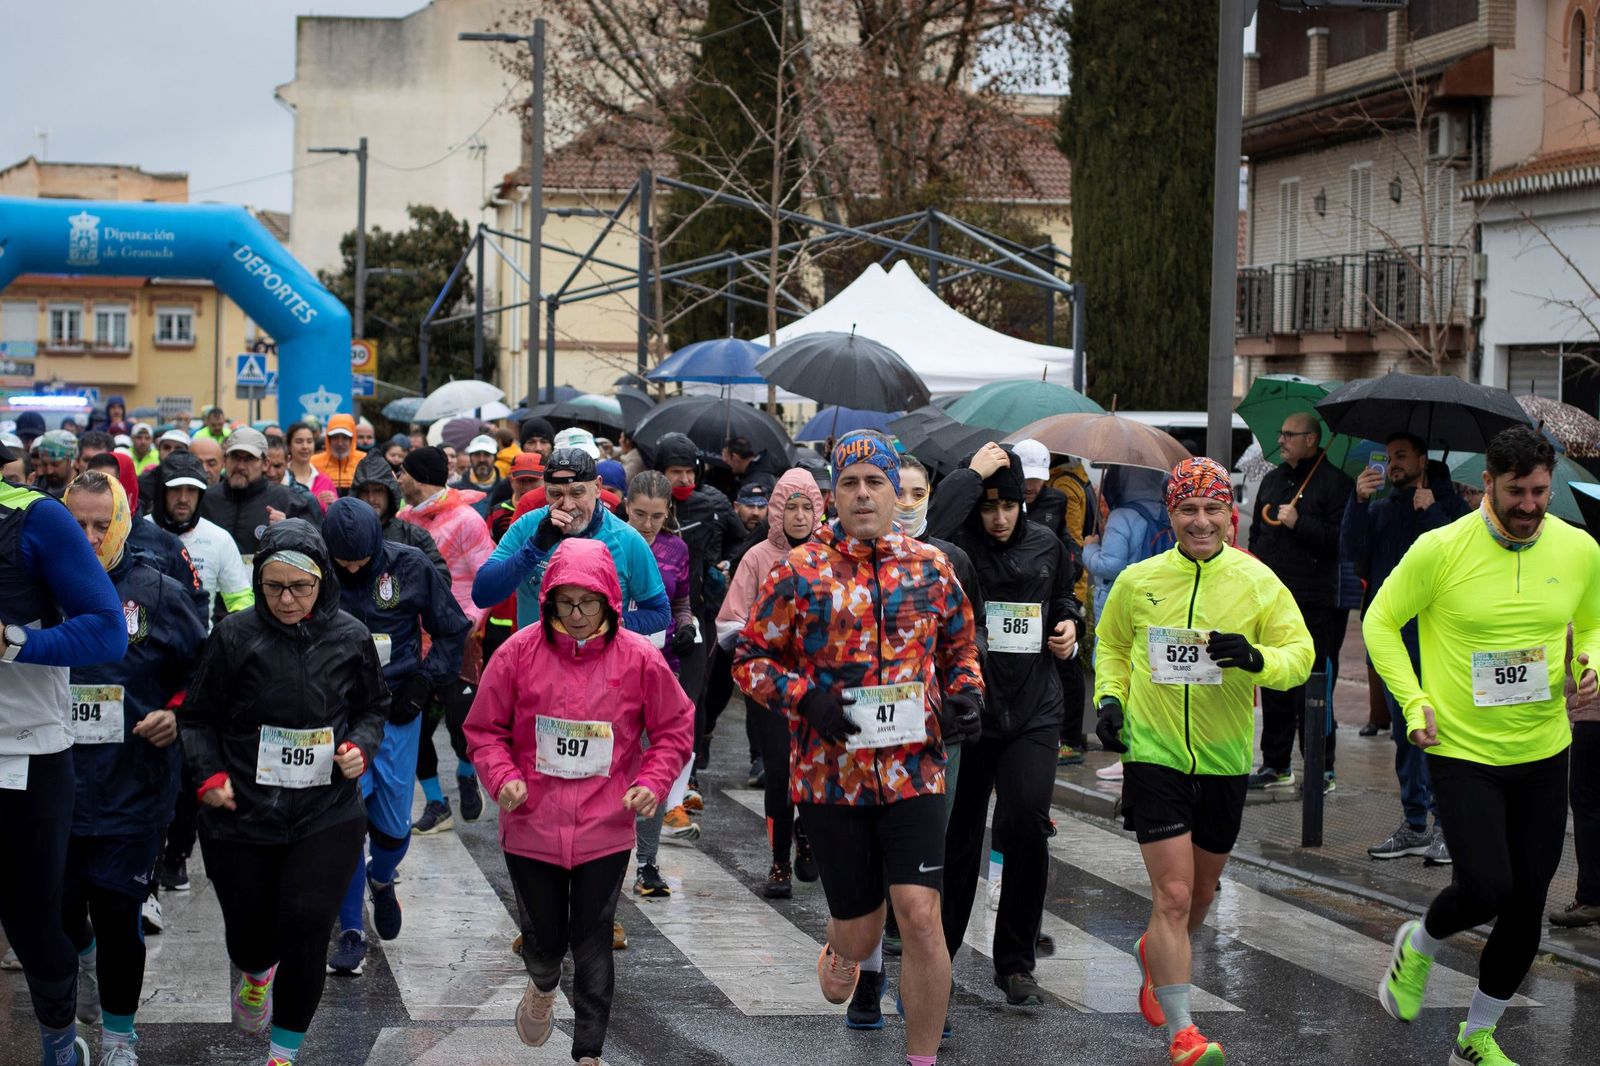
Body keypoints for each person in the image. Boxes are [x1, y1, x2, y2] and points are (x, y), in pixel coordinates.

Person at [732, 430, 983, 1066]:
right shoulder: (798, 573)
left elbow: (961, 650)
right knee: (863, 925)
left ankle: (921, 1058)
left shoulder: (932, 567)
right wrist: (805, 698)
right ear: (832, 496)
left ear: (896, 491)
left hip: (914, 770)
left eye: (876, 481)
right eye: (850, 483)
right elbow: (749, 659)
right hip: (828, 777)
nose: (864, 493)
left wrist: (965, 697)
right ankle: (842, 944)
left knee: (921, 914)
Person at [1368, 426, 1600, 1066]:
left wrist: (1591, 664)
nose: (1529, 505)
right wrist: (1413, 701)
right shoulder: (1440, 549)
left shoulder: (1579, 549)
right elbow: (1382, 622)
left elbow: (1596, 624)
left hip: (1545, 749)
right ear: (1487, 485)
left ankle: (1475, 1038)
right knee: (1488, 887)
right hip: (1463, 750)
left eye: (1540, 492)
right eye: (1516, 491)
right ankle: (1420, 941)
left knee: (1529, 904)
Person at [1094, 457, 1313, 1066]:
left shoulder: (1257, 581)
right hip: (1154, 754)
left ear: (1228, 515)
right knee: (1172, 892)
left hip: (1222, 759)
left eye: (1211, 508)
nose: (1200, 520)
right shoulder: (1141, 581)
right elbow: (1110, 645)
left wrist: (1256, 658)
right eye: (1188, 509)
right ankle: (1185, 1034)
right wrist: (1109, 700)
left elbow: (1300, 652)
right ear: (1171, 514)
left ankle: (1157, 957)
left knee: (1201, 893)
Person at [466, 538, 693, 1066]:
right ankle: (543, 987)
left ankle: (588, 1054)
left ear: (610, 601)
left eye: (587, 603)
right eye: (564, 603)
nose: (576, 615)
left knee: (593, 937)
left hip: (605, 825)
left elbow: (675, 726)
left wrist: (653, 782)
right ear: (547, 601)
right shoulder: (518, 652)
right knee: (544, 943)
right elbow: (483, 729)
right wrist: (502, 779)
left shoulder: (639, 657)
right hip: (531, 826)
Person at [178, 519, 388, 1066]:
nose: (288, 598)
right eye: (274, 587)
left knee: (306, 928)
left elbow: (372, 707)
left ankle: (282, 1055)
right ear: (258, 580)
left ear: (323, 584)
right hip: (242, 813)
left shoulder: (349, 635)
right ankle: (254, 972)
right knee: (250, 937)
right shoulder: (234, 636)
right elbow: (197, 718)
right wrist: (209, 778)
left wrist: (359, 747)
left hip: (327, 812)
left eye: (301, 587)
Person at [925, 444, 1081, 1007]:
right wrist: (969, 473)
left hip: (1035, 708)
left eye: (1008, 506)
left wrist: (1067, 624)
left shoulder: (1047, 543)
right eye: (988, 505)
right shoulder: (958, 545)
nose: (998, 517)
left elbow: (1063, 598)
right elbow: (931, 528)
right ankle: (937, 953)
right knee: (960, 834)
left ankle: (1015, 963)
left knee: (1024, 824)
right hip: (973, 713)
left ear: (1023, 503)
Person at [61, 471, 206, 1066]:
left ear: (122, 521)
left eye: (102, 524)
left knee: (120, 914)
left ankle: (120, 1040)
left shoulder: (157, 591)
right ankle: (85, 956)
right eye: (77, 526)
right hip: (53, 784)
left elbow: (204, 674)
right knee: (62, 912)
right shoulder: (37, 590)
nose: (90, 538)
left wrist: (176, 715)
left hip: (134, 785)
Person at [0, 437, 128, 1066]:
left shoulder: (34, 517)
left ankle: (58, 1042)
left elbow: (108, 627)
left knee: (29, 920)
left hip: (21, 752)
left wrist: (9, 640)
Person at [321, 498, 471, 976]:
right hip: (338, 714)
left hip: (397, 710)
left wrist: (426, 682)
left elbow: (452, 630)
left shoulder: (411, 566)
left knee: (392, 828)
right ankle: (349, 928)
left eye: (360, 560)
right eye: (342, 561)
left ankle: (382, 878)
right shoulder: (317, 573)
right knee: (346, 820)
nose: (352, 568)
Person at [1341, 432, 1469, 866]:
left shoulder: (1451, 507)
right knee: (1403, 733)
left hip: (1436, 637)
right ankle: (1415, 823)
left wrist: (1432, 512)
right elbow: (1353, 552)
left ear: (1422, 459)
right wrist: (1356, 504)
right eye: (1389, 457)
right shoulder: (1382, 507)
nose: (1392, 464)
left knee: (1437, 733)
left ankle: (1445, 827)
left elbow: (1458, 563)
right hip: (1393, 636)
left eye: (1401, 457)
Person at [716, 469, 826, 899]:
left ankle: (809, 834)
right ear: (776, 512)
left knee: (815, 773)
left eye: (807, 507)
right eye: (790, 507)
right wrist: (767, 644)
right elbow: (729, 622)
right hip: (772, 689)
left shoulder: (831, 555)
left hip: (820, 687)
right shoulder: (757, 559)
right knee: (780, 773)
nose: (799, 516)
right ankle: (779, 862)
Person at [1248, 411, 1354, 794]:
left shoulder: (1335, 483)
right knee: (1275, 679)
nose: (1282, 440)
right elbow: (1258, 533)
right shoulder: (1274, 480)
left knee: (1314, 683)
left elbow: (1341, 541)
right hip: (1275, 597)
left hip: (1317, 602)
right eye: (1280, 432)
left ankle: (1321, 768)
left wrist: (1300, 523)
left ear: (1312, 439)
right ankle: (1276, 764)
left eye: (1290, 434)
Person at [396, 446, 494, 834]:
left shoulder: (466, 520)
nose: (398, 479)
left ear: (418, 478)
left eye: (402, 472)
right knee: (413, 723)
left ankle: (467, 774)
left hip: (456, 637)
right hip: (410, 638)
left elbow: (486, 578)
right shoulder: (402, 521)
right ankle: (437, 804)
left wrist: (467, 621)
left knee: (460, 725)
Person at [624, 471, 701, 900]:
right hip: (612, 666)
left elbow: (681, 599)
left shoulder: (676, 548)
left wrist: (686, 625)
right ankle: (603, 856)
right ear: (625, 507)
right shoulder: (610, 540)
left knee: (655, 761)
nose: (648, 525)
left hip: (661, 666)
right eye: (639, 515)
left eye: (657, 516)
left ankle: (647, 863)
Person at [148, 451, 254, 630]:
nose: (183, 498)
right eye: (175, 489)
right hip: (146, 650)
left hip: (200, 647)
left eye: (191, 490)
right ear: (162, 491)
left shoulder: (219, 539)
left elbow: (240, 601)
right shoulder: (137, 532)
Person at [200, 428, 319, 562]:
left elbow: (316, 546)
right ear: (225, 460)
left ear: (265, 463)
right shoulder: (206, 499)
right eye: (234, 457)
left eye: (249, 459)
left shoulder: (287, 499)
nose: (240, 466)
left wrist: (290, 530)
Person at [1082, 464, 1169, 622]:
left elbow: (1110, 566)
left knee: (1110, 645)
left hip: (1119, 601)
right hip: (1155, 598)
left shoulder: (1122, 516)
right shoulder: (1165, 512)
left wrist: (1090, 548)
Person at [348, 453, 448, 584]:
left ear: (390, 493)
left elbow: (442, 579)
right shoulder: (346, 536)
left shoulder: (414, 536)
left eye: (378, 490)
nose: (371, 498)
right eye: (365, 491)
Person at [284, 423, 336, 511]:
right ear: (289, 446)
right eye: (299, 441)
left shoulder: (325, 481)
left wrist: (334, 505)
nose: (305, 446)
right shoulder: (281, 478)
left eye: (309, 441)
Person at [311, 414, 365, 496]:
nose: (340, 443)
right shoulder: (313, 462)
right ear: (328, 439)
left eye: (345, 438)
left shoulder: (364, 460)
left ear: (352, 439)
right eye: (335, 437)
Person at [30, 430, 78, 499]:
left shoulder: (83, 490)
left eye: (55, 464)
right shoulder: (37, 486)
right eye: (44, 464)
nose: (49, 471)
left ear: (70, 460)